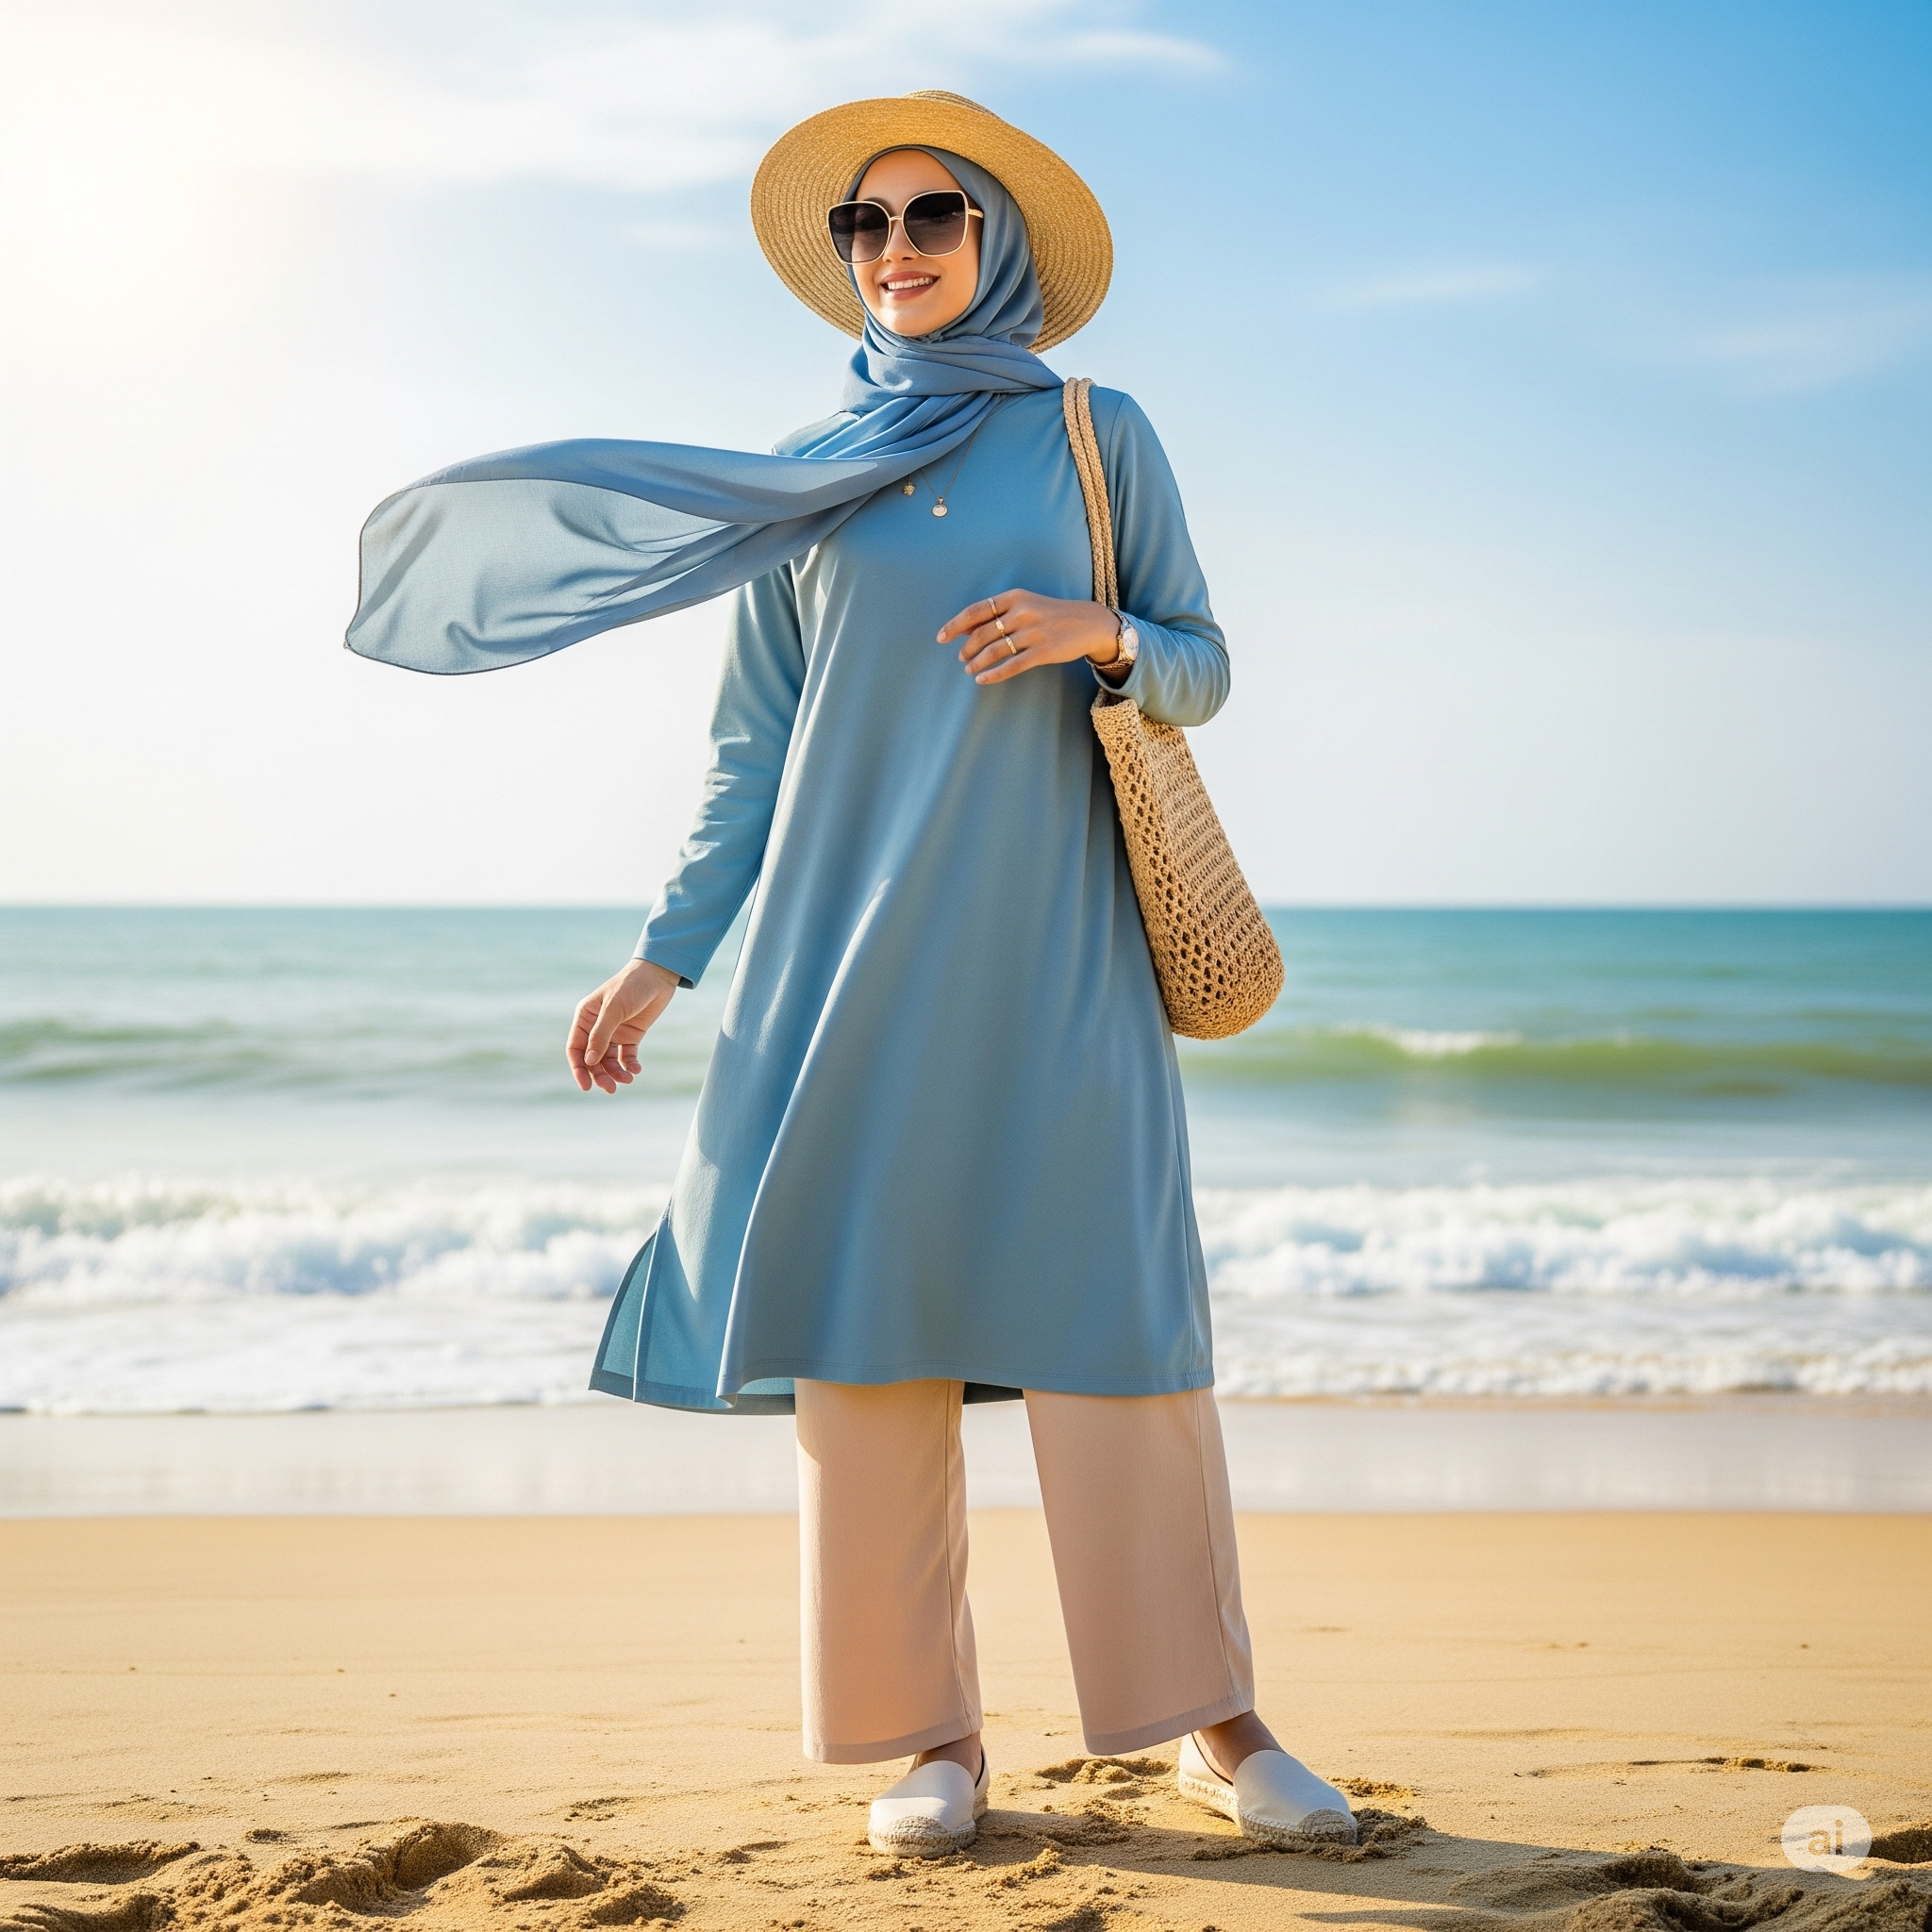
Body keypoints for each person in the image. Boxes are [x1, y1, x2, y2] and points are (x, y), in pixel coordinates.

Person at [346, 90, 1356, 1861]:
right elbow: (751, 759)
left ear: (999, 244)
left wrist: (1095, 632)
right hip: (838, 969)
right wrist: (664, 962)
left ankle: (1214, 1722)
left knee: (1119, 1324)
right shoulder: (809, 483)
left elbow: (1201, 660)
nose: (898, 248)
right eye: (868, 226)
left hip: (1063, 957)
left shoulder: (1100, 436)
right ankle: (932, 1737)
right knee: (870, 1348)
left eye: (934, 217)